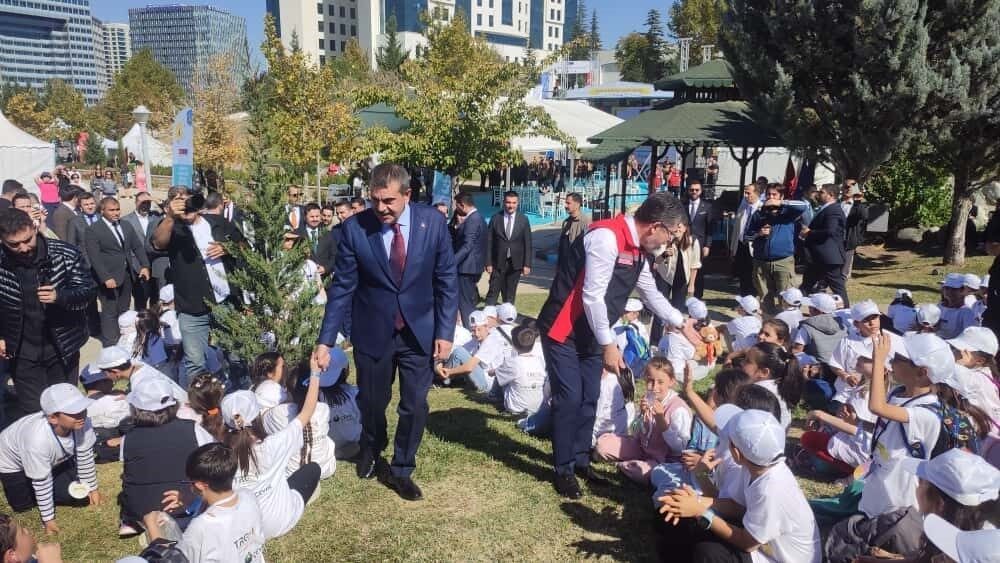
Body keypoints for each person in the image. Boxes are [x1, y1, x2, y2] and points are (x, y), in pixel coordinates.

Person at [312, 163, 458, 502]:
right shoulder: (354, 228)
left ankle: (402, 467)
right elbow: (342, 288)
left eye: (389, 200)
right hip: (373, 330)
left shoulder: (433, 223)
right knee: (373, 402)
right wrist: (325, 340)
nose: (381, 208)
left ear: (407, 195)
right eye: (375, 200)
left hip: (419, 332)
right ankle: (372, 448)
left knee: (415, 404)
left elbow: (446, 279)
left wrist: (445, 331)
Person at [536, 192, 685, 499]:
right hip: (564, 329)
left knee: (590, 396)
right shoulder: (606, 237)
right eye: (670, 234)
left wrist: (681, 322)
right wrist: (609, 345)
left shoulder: (640, 250)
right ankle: (563, 469)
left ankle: (580, 460)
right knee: (570, 398)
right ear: (656, 226)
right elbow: (592, 297)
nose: (669, 242)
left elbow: (650, 293)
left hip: (593, 333)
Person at [659, 408, 822, 563]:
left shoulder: (771, 489)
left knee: (709, 553)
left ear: (736, 453)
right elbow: (736, 506)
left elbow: (748, 543)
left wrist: (701, 512)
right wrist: (695, 501)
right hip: (761, 543)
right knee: (679, 516)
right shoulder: (756, 465)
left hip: (774, 557)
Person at [0, 209, 95, 416]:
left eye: (28, 240)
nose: (23, 248)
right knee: (33, 411)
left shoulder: (65, 254)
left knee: (65, 408)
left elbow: (88, 292)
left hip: (62, 346)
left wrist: (60, 296)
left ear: (34, 228)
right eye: (14, 245)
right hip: (22, 351)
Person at [152, 186, 246, 380]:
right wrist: (170, 217)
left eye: (189, 201)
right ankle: (201, 397)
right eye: (180, 203)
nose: (186, 207)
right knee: (195, 362)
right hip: (191, 307)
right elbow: (158, 243)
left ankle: (241, 392)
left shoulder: (218, 223)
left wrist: (228, 247)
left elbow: (244, 245)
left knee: (236, 355)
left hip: (224, 302)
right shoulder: (170, 228)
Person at [222, 370, 322, 539]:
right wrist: (315, 373)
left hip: (248, 530)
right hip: (283, 519)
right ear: (257, 416)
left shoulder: (220, 456)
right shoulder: (274, 444)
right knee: (312, 469)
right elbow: (307, 411)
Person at [119, 376, 216, 534]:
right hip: (184, 503)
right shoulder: (193, 429)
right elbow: (212, 459)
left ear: (135, 409)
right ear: (174, 405)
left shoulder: (127, 438)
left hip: (142, 511)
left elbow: (130, 472)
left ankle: (131, 522)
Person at [0, 384, 101, 534]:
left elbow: (85, 454)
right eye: (73, 412)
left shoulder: (82, 422)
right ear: (53, 418)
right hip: (12, 464)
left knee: (76, 494)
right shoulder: (36, 439)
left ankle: (47, 472)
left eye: (83, 409)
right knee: (23, 507)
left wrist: (92, 489)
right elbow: (42, 481)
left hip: (52, 458)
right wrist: (48, 519)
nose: (81, 415)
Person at [142, 443, 266, 563]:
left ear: (200, 485)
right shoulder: (248, 497)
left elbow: (170, 560)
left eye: (190, 482)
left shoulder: (201, 527)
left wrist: (152, 526)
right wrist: (191, 505)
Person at [595, 357, 691, 484]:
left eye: (660, 382)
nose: (654, 387)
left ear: (671, 382)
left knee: (643, 472)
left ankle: (624, 465)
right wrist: (641, 415)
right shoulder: (649, 399)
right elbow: (634, 432)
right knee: (603, 445)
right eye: (650, 381)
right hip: (642, 449)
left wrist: (661, 421)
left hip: (664, 460)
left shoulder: (678, 408)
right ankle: (631, 464)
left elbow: (679, 447)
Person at [85, 197, 150, 346]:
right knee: (110, 310)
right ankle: (111, 342)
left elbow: (137, 247)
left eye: (117, 209)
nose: (116, 213)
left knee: (124, 308)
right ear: (102, 211)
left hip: (126, 274)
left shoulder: (125, 225)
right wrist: (105, 277)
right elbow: (94, 257)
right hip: (108, 277)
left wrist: (145, 265)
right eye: (111, 210)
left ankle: (124, 338)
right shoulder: (93, 230)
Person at [745, 187, 809, 313]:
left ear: (781, 196)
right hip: (761, 262)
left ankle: (786, 322)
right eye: (768, 194)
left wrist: (780, 203)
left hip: (783, 261)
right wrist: (759, 233)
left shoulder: (788, 213)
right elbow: (747, 236)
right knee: (764, 297)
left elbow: (804, 206)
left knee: (786, 297)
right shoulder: (759, 214)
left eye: (774, 194)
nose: (771, 197)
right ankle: (769, 320)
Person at [800, 184, 849, 305]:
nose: (818, 194)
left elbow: (830, 231)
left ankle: (847, 310)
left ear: (831, 195)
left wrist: (810, 232)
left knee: (837, 287)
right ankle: (793, 307)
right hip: (819, 257)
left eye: (822, 192)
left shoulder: (833, 210)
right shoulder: (825, 208)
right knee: (806, 285)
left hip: (828, 258)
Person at [485, 191, 532, 305]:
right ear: (503, 202)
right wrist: (488, 263)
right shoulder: (495, 218)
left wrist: (527, 264)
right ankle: (489, 312)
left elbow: (528, 243)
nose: (511, 205)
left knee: (510, 294)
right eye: (508, 202)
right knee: (493, 291)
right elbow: (489, 242)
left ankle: (507, 313)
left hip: (515, 263)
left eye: (514, 203)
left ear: (518, 203)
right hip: (497, 263)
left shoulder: (523, 219)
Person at [122, 191, 165, 309]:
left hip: (155, 263)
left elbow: (168, 209)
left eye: (148, 203)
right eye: (142, 203)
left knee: (156, 296)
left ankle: (154, 317)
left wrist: (154, 198)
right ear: (136, 203)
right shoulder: (126, 220)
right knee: (140, 297)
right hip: (137, 264)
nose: (145, 206)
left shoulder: (156, 216)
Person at [452, 192, 487, 329]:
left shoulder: (473, 219)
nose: (456, 209)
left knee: (465, 304)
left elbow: (467, 245)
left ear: (462, 205)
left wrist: (451, 263)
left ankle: (470, 331)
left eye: (457, 206)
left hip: (467, 268)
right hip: (472, 267)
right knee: (467, 302)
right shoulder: (478, 217)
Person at [684, 181, 713, 298]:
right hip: (685, 242)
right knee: (685, 268)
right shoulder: (683, 205)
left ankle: (697, 297)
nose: (694, 192)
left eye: (697, 190)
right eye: (692, 190)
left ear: (701, 191)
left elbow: (710, 229)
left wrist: (707, 245)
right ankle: (684, 294)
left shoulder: (707, 206)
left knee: (699, 270)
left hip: (700, 243)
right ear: (688, 191)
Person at [842, 181, 868, 281]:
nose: (848, 189)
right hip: (835, 238)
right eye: (846, 186)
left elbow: (864, 216)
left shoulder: (858, 205)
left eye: (852, 187)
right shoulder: (838, 203)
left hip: (848, 239)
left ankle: (841, 284)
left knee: (845, 268)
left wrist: (857, 201)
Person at [558, 192, 591, 262]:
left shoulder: (585, 222)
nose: (565, 206)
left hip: (577, 264)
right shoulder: (566, 222)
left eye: (568, 203)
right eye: (566, 203)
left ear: (577, 205)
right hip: (564, 264)